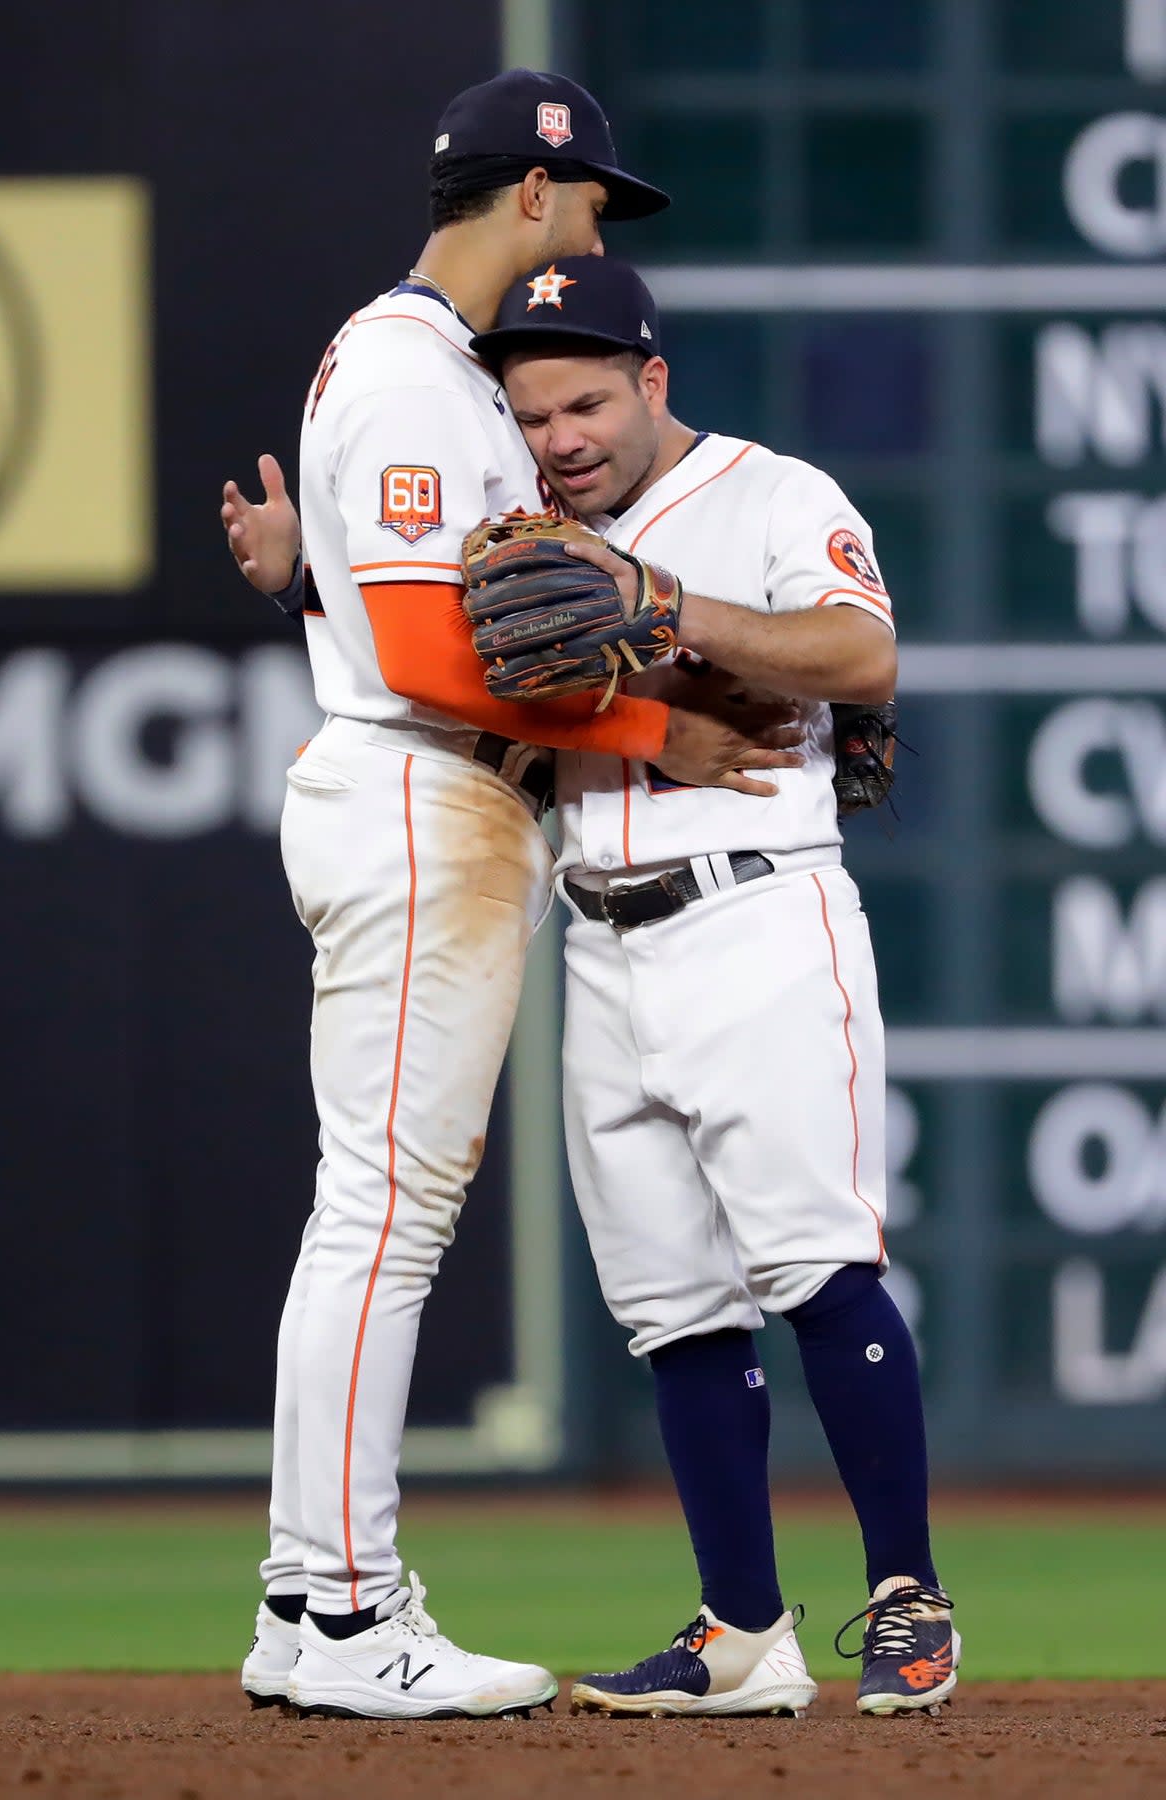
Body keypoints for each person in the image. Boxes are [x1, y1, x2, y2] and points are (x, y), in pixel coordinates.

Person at [221, 71, 800, 1723]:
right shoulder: (412, 371)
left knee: (374, 1216)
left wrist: (303, 582)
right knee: (382, 1221)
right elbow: (420, 653)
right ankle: (343, 1612)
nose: (598, 221)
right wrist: (656, 727)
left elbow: (387, 608)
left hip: (428, 796)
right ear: (535, 195)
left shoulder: (412, 371)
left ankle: (301, 1600)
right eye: (592, 198)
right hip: (423, 803)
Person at [457, 255, 960, 1719]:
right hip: (599, 939)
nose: (560, 437)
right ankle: (741, 1633)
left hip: (757, 920)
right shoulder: (523, 531)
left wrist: (668, 606)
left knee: (816, 1265)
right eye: (533, 410)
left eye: (587, 401)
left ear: (654, 380)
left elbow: (861, 656)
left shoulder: (772, 495)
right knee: (673, 1309)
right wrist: (306, 575)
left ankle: (909, 1598)